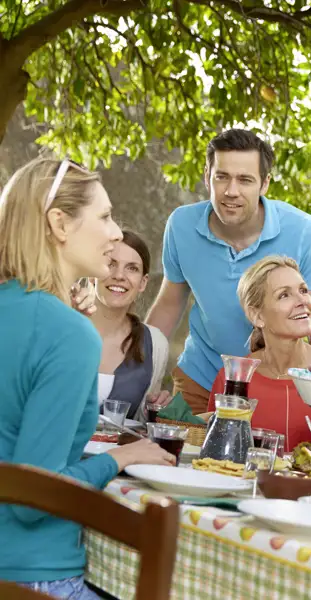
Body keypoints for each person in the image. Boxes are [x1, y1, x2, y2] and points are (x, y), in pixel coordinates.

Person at [0, 158, 175, 598]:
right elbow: (30, 497)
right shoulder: (69, 332)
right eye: (104, 216)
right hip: (33, 575)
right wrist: (119, 458)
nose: (116, 232)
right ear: (59, 223)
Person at [145, 129, 311, 414]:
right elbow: (168, 306)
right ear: (207, 177)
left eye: (245, 180)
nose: (231, 191)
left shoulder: (304, 232)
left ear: (264, 184)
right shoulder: (181, 225)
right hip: (200, 379)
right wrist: (135, 375)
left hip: (276, 385)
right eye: (222, 177)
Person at [207, 256, 311, 453]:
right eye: (284, 295)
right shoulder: (233, 377)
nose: (302, 301)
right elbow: (215, 457)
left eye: (303, 290)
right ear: (257, 316)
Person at [91, 230, 171, 421]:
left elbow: (140, 425)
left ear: (143, 283)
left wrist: (154, 409)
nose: (119, 275)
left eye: (132, 268)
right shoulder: (61, 329)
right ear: (93, 270)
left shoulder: (154, 343)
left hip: (117, 451)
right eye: (111, 264)